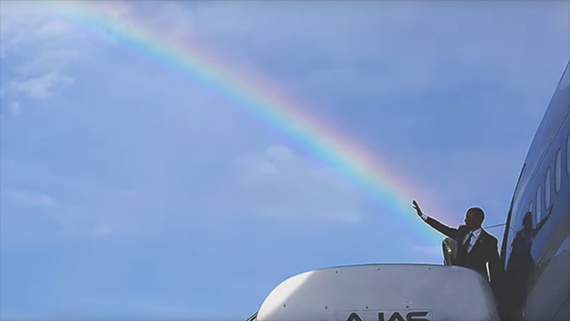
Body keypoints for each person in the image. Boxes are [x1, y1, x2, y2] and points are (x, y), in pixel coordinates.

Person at [412, 200, 502, 294]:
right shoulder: (462, 232)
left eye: (468, 217)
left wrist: (494, 292)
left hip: (475, 285)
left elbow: (495, 269)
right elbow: (443, 228)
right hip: (457, 280)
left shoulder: (490, 241)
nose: (465, 220)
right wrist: (422, 216)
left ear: (477, 220)